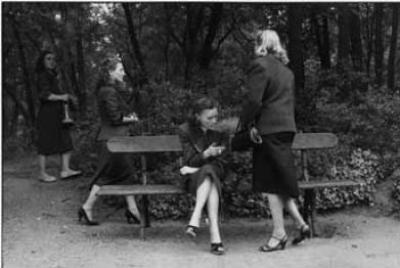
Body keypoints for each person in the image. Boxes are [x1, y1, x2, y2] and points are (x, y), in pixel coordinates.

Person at [239, 29, 311, 252]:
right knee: (278, 180)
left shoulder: (259, 65)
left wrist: (244, 125)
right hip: (286, 129)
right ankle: (301, 224)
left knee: (268, 183)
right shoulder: (287, 71)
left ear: (260, 44)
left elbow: (254, 101)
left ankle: (278, 234)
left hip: (268, 130)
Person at [79, 59, 141, 226]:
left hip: (117, 138)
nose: (123, 72)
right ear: (110, 73)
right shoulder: (108, 92)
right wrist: (131, 119)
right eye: (120, 69)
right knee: (106, 175)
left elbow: (123, 104)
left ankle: (132, 210)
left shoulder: (110, 90)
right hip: (112, 139)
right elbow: (115, 118)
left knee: (126, 174)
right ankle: (87, 206)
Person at [178, 97, 229, 256]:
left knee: (210, 171)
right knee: (208, 174)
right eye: (209, 118)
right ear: (197, 116)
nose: (214, 121)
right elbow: (189, 161)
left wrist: (215, 155)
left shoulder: (221, 130)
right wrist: (206, 154)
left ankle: (196, 216)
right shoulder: (185, 130)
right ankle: (215, 237)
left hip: (217, 171)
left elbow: (226, 161)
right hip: (197, 178)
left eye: (216, 117)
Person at [35, 50, 82, 182]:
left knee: (65, 141)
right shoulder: (42, 75)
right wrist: (63, 96)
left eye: (53, 59)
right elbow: (45, 95)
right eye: (48, 59)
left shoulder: (53, 75)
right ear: (42, 61)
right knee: (45, 142)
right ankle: (42, 173)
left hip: (59, 114)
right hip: (47, 115)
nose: (51, 61)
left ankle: (65, 170)